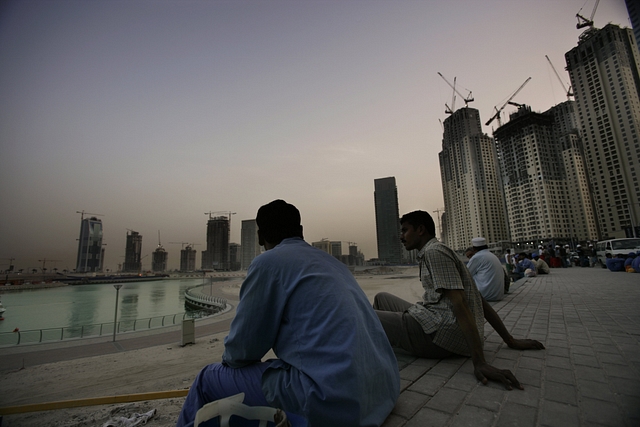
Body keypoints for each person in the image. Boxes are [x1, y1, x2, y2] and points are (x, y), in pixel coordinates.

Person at [176, 200, 400, 427]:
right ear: (301, 232)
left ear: (261, 237)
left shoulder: (268, 263)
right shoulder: (333, 263)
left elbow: (241, 350)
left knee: (207, 379)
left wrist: (230, 363)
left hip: (334, 398)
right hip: (382, 389)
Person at [373, 211, 544, 391]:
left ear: (420, 230)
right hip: (434, 319)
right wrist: (509, 340)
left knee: (361, 314)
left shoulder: (434, 253)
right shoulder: (436, 250)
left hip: (440, 335)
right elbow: (479, 300)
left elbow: (460, 303)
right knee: (381, 298)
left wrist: (479, 362)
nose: (401, 236)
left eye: (405, 230)